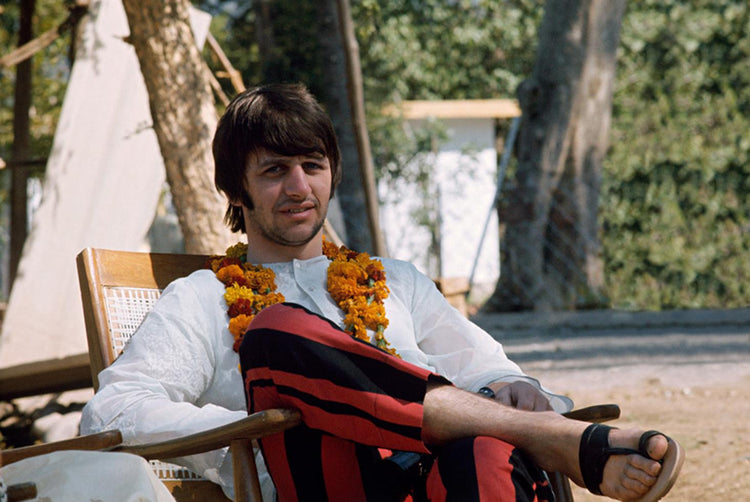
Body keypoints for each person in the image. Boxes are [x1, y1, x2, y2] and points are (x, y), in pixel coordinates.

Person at [81, 83, 683, 502]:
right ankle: (563, 444)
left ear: (332, 173)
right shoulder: (203, 298)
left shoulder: (395, 281)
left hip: (441, 482)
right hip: (330, 483)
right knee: (274, 332)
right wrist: (245, 429)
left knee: (484, 447)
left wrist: (512, 389)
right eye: (273, 171)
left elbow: (491, 370)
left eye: (312, 166)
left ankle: (542, 438)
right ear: (234, 190)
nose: (298, 187)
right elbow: (110, 411)